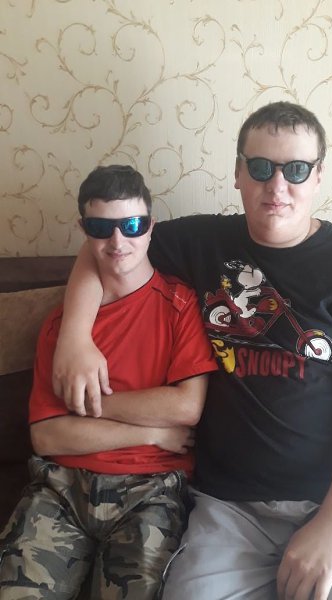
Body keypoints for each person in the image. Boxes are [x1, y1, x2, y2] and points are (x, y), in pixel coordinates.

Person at [49, 103, 332, 600]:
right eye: (261, 167)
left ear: (318, 177)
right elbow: (108, 243)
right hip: (232, 507)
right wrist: (75, 336)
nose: (277, 185)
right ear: (239, 173)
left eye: (296, 169)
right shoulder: (201, 242)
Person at [0, 165, 218, 600]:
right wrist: (153, 432)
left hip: (151, 490)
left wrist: (85, 404)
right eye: (101, 228)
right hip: (60, 487)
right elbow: (46, 436)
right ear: (84, 230)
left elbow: (186, 408)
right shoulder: (62, 329)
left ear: (150, 226)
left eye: (131, 225)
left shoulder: (180, 307)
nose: (118, 242)